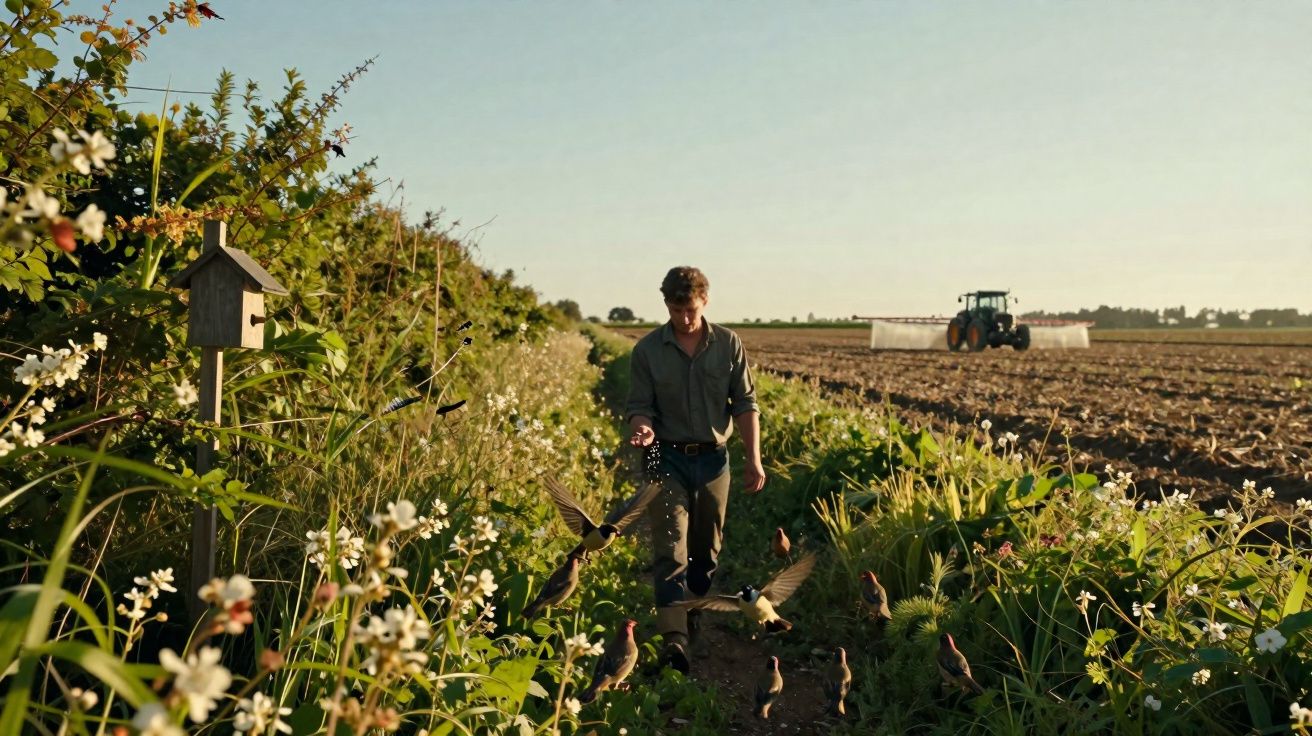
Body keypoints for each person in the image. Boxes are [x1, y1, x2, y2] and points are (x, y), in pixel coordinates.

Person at [624, 266, 765, 673]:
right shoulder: (647, 350)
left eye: (691, 309)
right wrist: (642, 427)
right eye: (676, 309)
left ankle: (693, 607)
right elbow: (638, 406)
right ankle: (675, 640)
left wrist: (753, 458)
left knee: (705, 552)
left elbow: (745, 404)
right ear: (665, 303)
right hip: (662, 456)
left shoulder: (728, 345)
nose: (684, 318)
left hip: (713, 458)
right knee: (671, 550)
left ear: (705, 301)